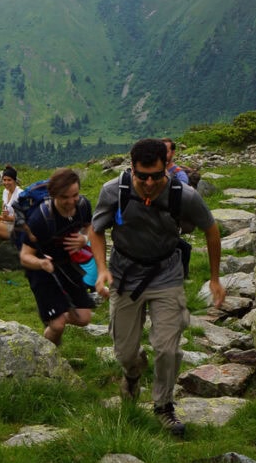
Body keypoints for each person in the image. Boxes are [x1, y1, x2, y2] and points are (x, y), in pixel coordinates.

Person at [90, 138, 225, 437]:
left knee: (167, 348)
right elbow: (96, 229)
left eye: (156, 175)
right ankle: (132, 373)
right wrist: (101, 269)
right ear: (132, 169)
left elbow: (211, 230)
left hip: (167, 274)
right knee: (125, 351)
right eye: (142, 176)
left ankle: (164, 406)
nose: (149, 183)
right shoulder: (114, 191)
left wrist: (215, 279)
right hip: (125, 276)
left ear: (166, 166)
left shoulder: (183, 195)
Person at [19, 168, 95, 346]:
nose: (71, 202)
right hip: (42, 271)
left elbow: (89, 227)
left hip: (68, 265)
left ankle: (54, 317)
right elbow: (24, 257)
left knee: (84, 317)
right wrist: (41, 263)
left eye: (74, 195)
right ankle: (50, 356)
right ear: (53, 195)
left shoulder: (83, 205)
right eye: (65, 197)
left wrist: (84, 239)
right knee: (58, 325)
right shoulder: (39, 219)